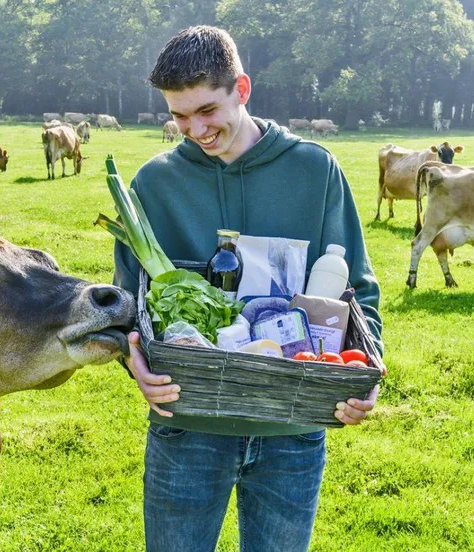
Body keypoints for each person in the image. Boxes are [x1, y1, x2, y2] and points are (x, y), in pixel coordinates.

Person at [113, 26, 383, 552]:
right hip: (188, 426)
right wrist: (134, 363)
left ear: (241, 89)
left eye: (207, 110)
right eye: (179, 116)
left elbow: (359, 290)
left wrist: (364, 376)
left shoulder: (314, 169)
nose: (195, 129)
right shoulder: (154, 184)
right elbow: (130, 305)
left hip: (292, 429)